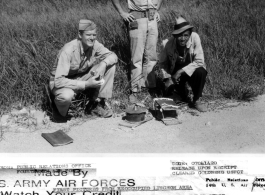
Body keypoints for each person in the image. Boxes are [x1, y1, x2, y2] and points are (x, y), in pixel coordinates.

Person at [49, 19, 118, 122]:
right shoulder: (68, 50)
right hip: (62, 82)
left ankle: (96, 104)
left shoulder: (95, 45)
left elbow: (113, 56)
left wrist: (103, 64)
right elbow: (58, 81)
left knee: (110, 66)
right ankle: (58, 109)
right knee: (66, 96)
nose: (92, 38)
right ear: (80, 35)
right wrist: (86, 84)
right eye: (88, 35)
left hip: (81, 76)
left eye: (94, 35)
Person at [111, 0, 163, 102]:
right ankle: (134, 90)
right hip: (136, 19)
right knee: (136, 58)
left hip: (153, 20)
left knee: (151, 56)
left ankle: (150, 87)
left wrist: (157, 10)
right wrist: (122, 12)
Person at [158, 16, 208, 112]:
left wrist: (180, 72)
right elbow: (162, 64)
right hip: (175, 71)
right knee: (173, 95)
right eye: (180, 35)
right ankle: (180, 93)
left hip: (190, 70)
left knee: (201, 71)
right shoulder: (167, 44)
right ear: (175, 36)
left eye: (186, 35)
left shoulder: (195, 38)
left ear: (190, 34)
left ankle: (196, 99)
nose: (182, 38)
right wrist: (167, 78)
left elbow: (199, 61)